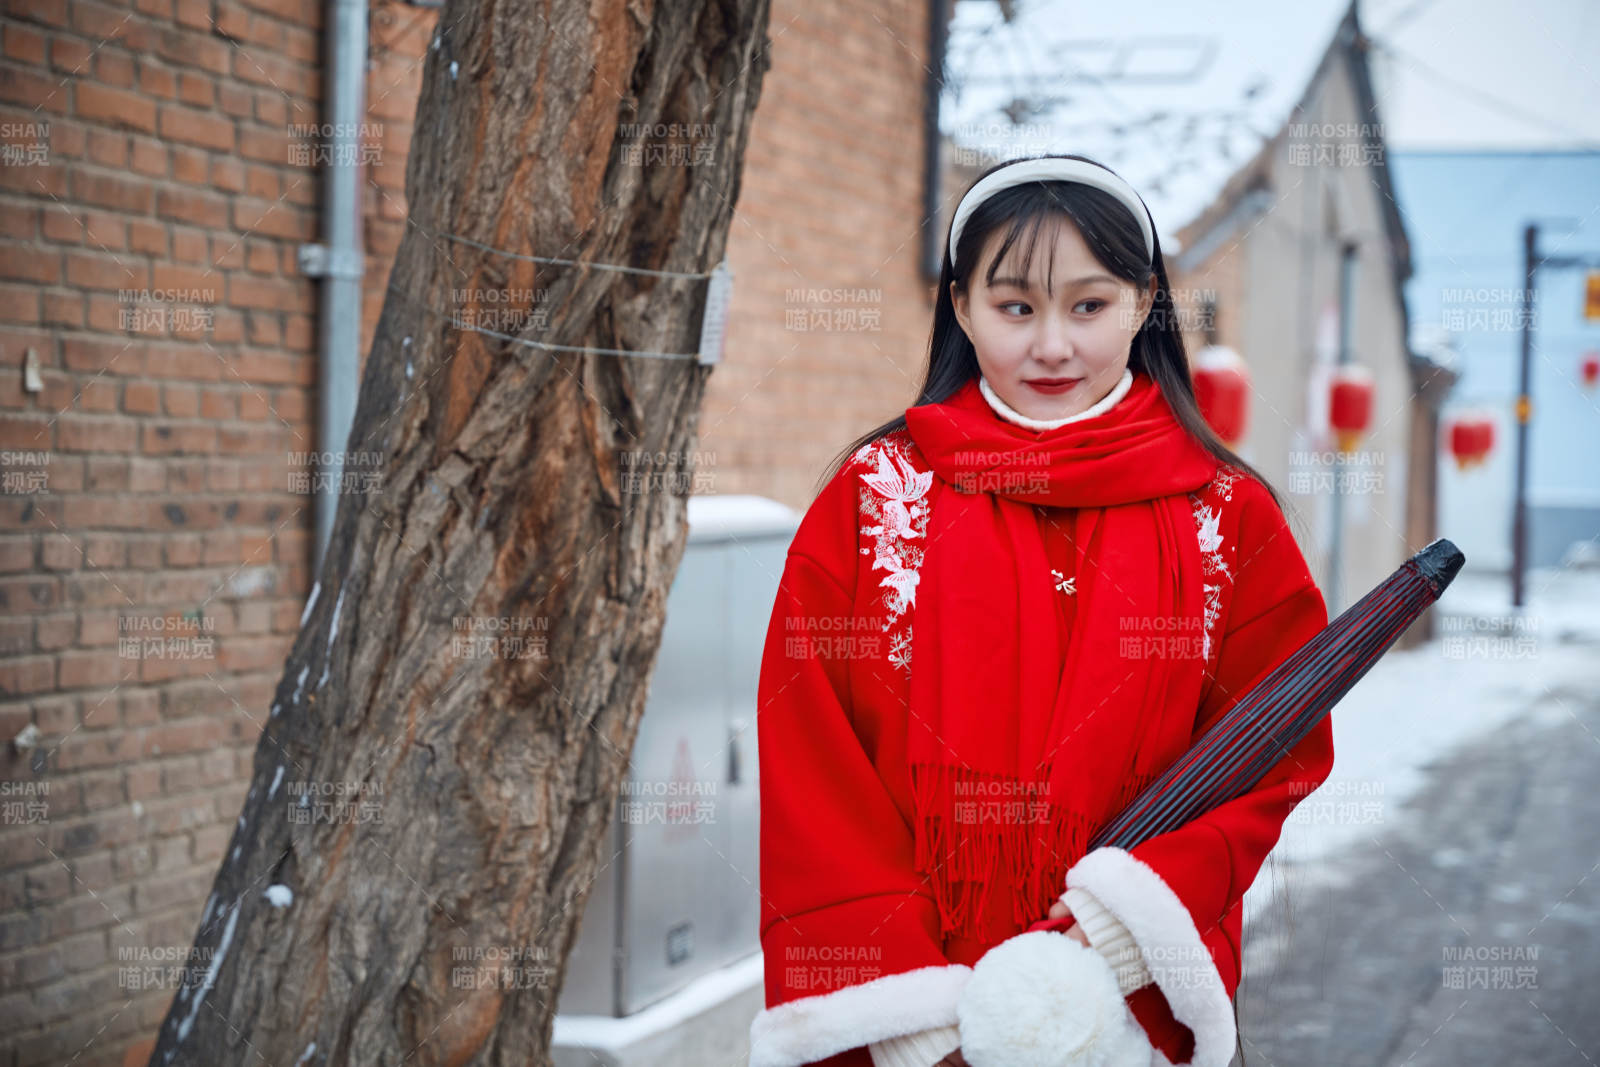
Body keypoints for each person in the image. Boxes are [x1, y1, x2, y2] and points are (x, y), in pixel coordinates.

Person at [746, 155, 1335, 1067]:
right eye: (1015, 307)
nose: (1053, 345)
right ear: (960, 305)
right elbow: (811, 756)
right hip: (912, 1019)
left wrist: (1114, 929)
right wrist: (917, 1018)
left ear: (1144, 303)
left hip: (1123, 1006)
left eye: (1089, 306)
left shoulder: (1225, 515)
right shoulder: (875, 498)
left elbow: (1271, 748)